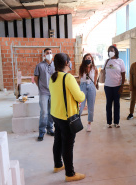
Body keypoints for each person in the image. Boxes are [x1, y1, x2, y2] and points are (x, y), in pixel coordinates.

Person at [49, 53, 85, 182]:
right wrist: (82, 93)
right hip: (66, 117)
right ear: (66, 63)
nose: (70, 63)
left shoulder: (53, 77)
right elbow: (80, 97)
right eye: (69, 61)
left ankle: (58, 165)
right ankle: (70, 174)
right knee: (68, 145)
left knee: (58, 140)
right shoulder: (68, 78)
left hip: (55, 114)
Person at [34, 48, 55, 141]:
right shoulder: (39, 65)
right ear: (44, 55)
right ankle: (41, 132)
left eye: (50, 53)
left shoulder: (56, 65)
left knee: (51, 112)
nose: (49, 54)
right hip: (44, 92)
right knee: (44, 112)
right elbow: (36, 78)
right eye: (47, 53)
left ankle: (50, 129)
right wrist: (40, 87)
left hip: (53, 92)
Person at [104, 45, 125, 128]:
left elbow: (123, 74)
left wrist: (122, 86)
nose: (110, 52)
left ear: (116, 51)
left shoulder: (120, 61)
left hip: (117, 86)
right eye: (109, 51)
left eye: (112, 50)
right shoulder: (107, 61)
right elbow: (104, 73)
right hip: (107, 86)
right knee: (108, 104)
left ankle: (116, 122)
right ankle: (109, 122)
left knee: (116, 104)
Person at [79, 53, 98, 132]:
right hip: (83, 86)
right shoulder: (81, 68)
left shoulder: (94, 68)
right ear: (84, 59)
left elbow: (95, 78)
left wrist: (94, 85)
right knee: (80, 106)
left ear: (92, 59)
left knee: (91, 107)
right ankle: (78, 123)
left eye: (89, 58)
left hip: (91, 86)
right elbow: (80, 77)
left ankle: (89, 124)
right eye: (86, 58)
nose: (88, 59)